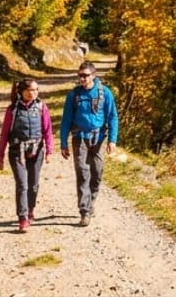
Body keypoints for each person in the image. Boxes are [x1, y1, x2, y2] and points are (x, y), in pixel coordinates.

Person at [59, 60, 118, 227]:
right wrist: (63, 142)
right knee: (83, 173)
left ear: (94, 75)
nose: (82, 79)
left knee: (97, 173)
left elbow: (112, 117)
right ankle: (84, 210)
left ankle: (90, 203)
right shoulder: (74, 95)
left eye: (85, 76)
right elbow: (66, 120)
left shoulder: (105, 93)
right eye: (80, 76)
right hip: (80, 138)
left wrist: (112, 140)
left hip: (99, 138)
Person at [0, 77, 53, 233]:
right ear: (22, 92)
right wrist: (0, 156)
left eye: (36, 90)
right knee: (22, 185)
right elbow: (4, 134)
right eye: (31, 90)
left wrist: (49, 151)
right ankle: (23, 218)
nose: (34, 93)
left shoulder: (42, 107)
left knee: (33, 184)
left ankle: (30, 209)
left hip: (36, 150)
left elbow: (47, 130)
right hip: (17, 151)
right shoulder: (12, 110)